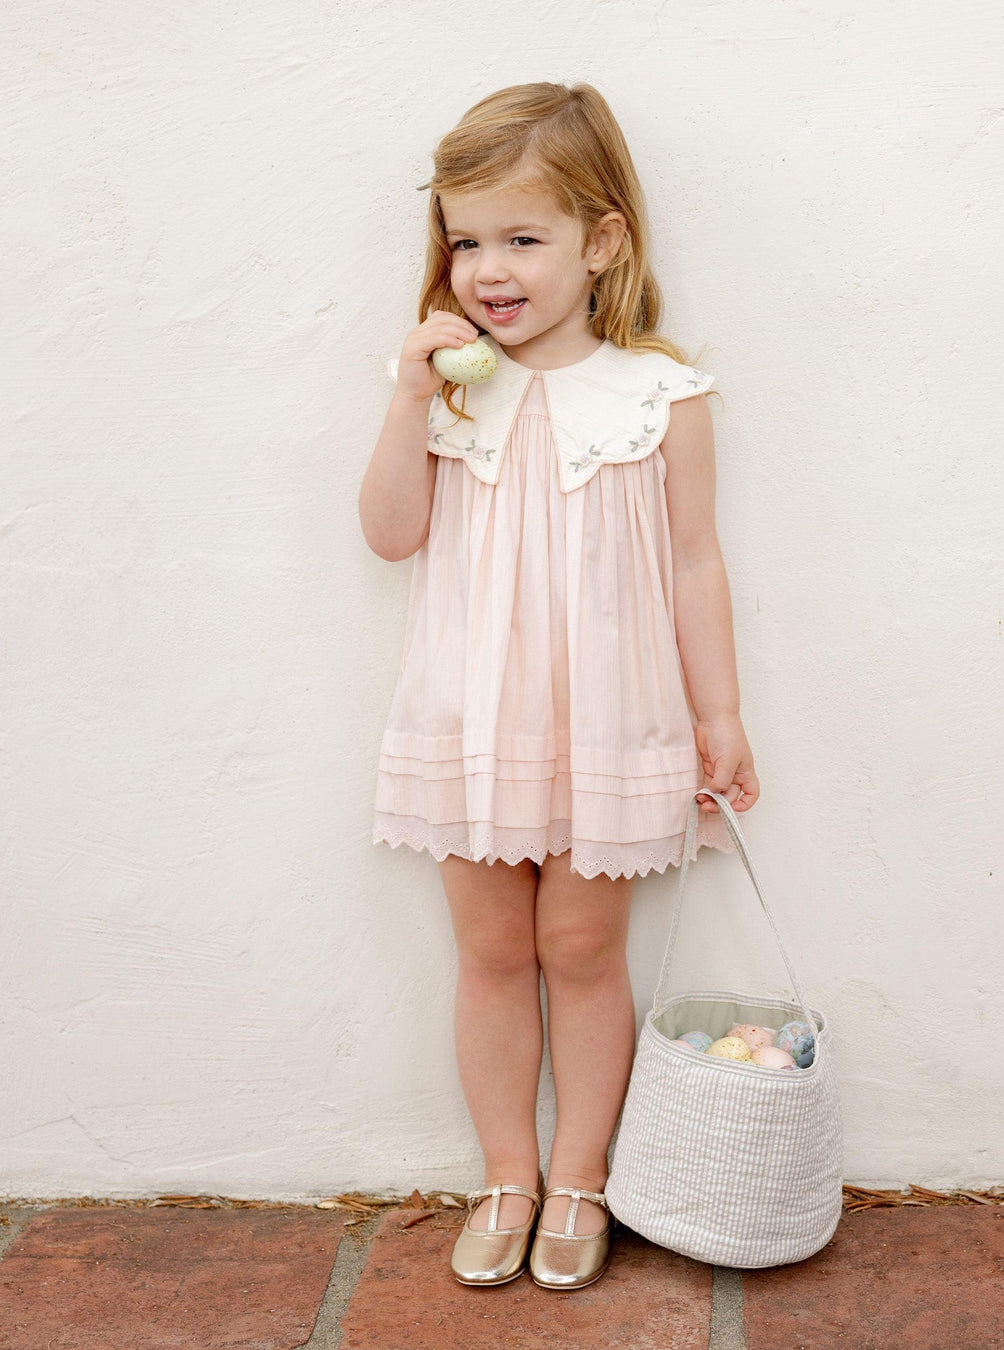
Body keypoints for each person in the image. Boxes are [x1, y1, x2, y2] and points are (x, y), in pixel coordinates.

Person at [359, 81, 759, 1291]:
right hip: (471, 718)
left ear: (601, 240)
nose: (489, 268)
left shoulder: (660, 397)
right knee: (490, 952)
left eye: (523, 238)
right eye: (466, 240)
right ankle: (506, 1174)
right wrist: (409, 397)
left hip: (607, 721)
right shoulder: (450, 388)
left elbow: (694, 562)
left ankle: (580, 1174)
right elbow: (389, 534)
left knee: (581, 951)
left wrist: (720, 715)